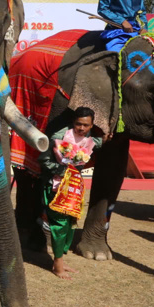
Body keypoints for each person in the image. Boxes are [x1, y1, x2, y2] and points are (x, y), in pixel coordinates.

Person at [38, 107, 102, 280]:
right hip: (56, 185)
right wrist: (62, 169)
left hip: (73, 187)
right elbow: (43, 159)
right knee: (59, 223)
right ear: (73, 122)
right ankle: (58, 266)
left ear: (91, 125)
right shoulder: (58, 137)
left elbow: (99, 142)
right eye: (78, 124)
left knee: (70, 222)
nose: (81, 128)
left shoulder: (90, 140)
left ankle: (60, 260)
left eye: (85, 125)